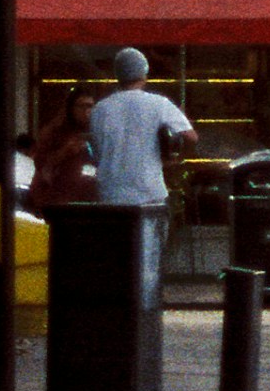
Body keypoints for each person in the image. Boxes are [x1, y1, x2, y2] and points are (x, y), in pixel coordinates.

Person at [83, 50, 198, 261]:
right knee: (149, 258)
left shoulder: (100, 109)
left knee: (117, 257)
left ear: (117, 75)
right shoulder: (158, 104)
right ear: (144, 74)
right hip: (149, 192)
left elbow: (97, 150)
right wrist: (171, 158)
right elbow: (191, 137)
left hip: (110, 193)